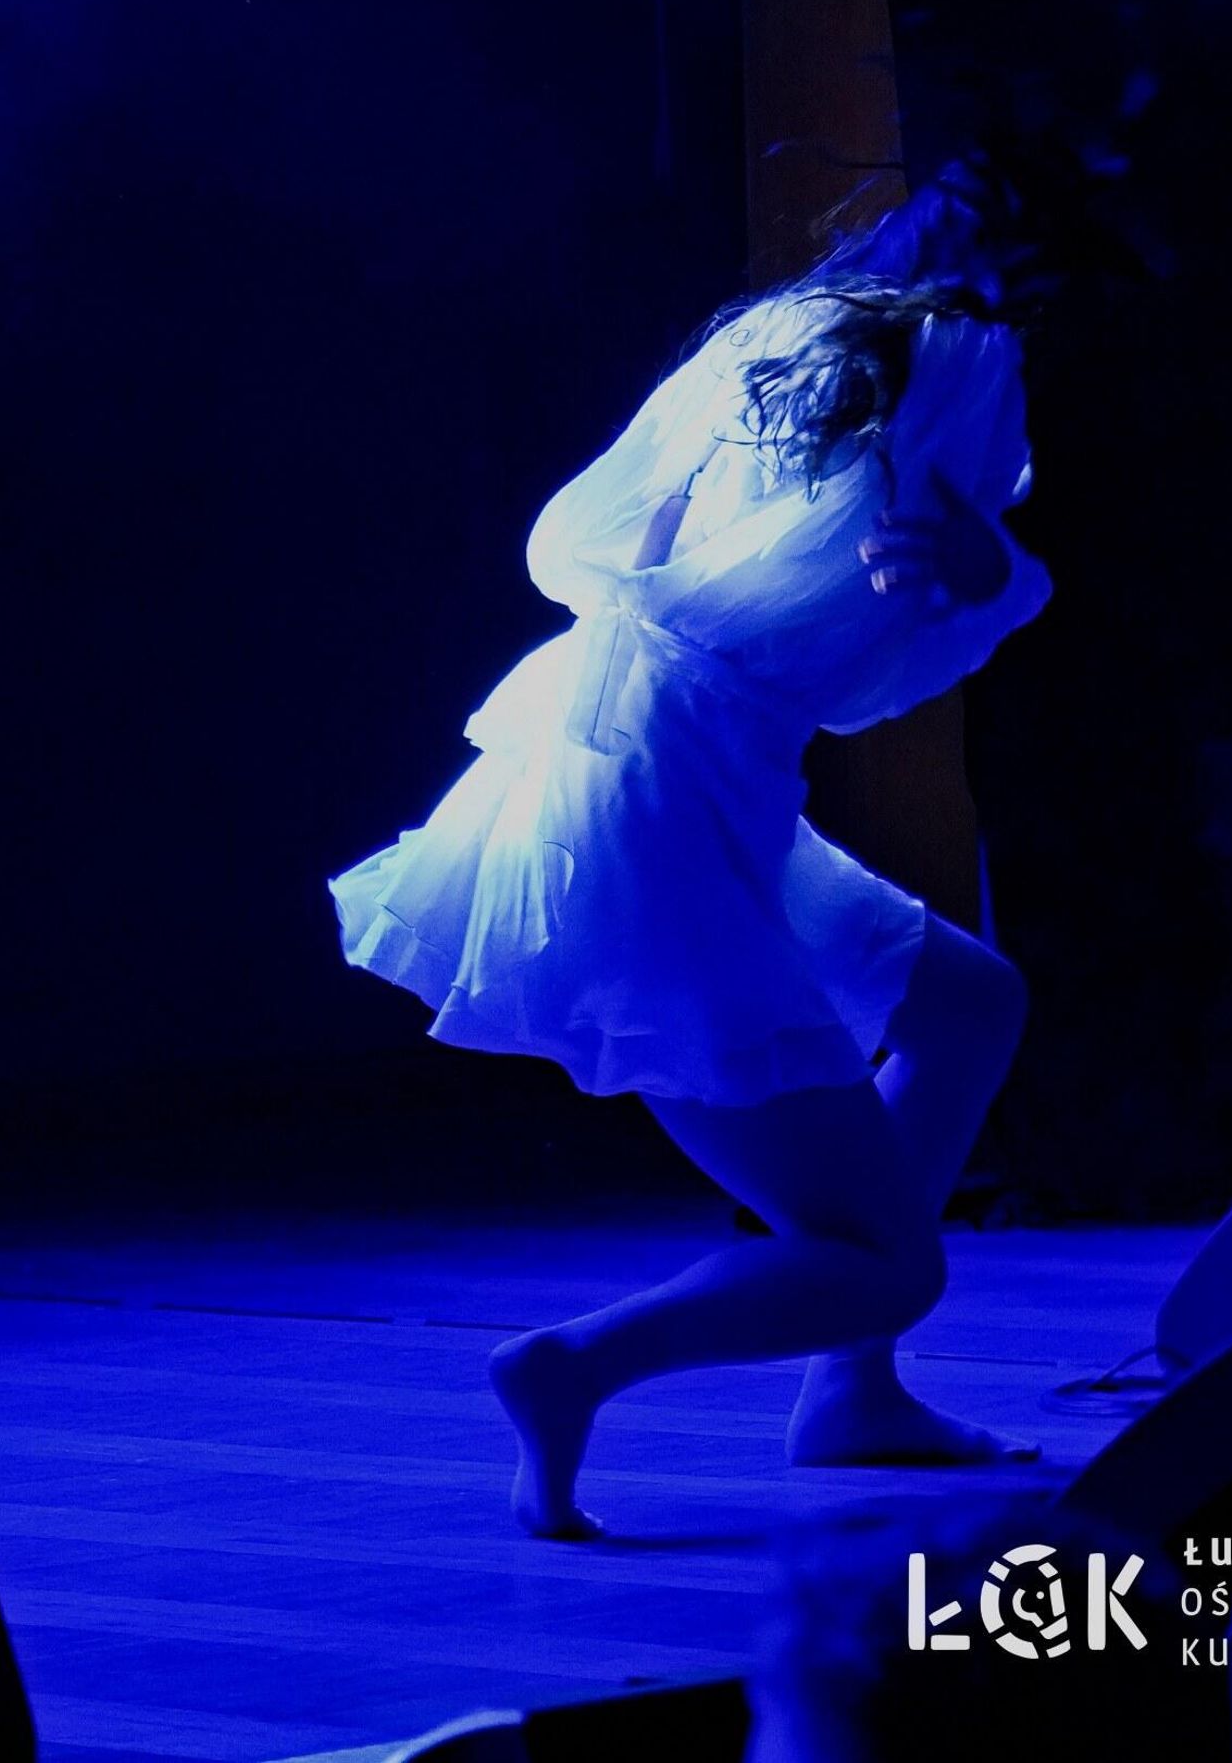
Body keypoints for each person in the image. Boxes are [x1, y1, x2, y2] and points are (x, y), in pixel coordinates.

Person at [329, 156, 1062, 1538]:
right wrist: (997, 581)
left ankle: (852, 1396)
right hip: (660, 801)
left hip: (659, 765)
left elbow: (596, 545)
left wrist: (961, 579)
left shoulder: (775, 338)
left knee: (967, 1004)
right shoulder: (958, 359)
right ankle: (574, 1365)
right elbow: (867, 658)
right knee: (884, 1262)